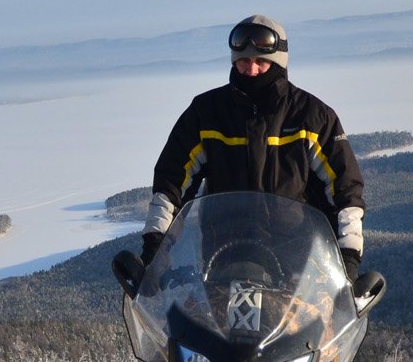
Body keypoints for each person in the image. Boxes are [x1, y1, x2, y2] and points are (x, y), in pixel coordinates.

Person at [139, 14, 366, 280]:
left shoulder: (312, 117)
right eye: (244, 61)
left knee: (304, 323)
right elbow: (172, 181)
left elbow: (344, 188)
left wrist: (348, 256)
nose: (252, 70)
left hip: (297, 267)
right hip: (221, 260)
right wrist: (156, 246)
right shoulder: (207, 113)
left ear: (278, 62)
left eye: (261, 62)